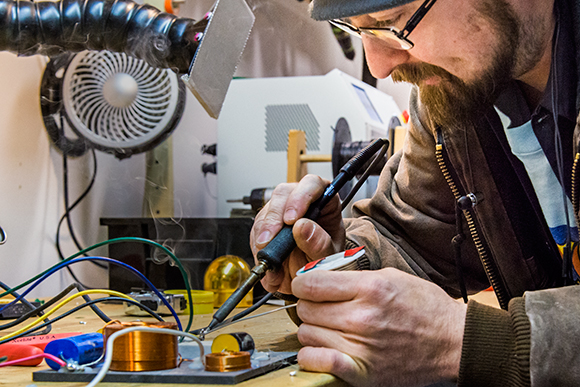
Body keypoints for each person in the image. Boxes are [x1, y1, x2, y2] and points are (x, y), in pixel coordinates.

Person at [249, 0, 580, 385]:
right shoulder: (454, 95)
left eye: (391, 23)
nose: (379, 65)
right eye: (358, 29)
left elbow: (473, 342)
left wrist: (475, 344)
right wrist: (333, 257)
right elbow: (412, 235)